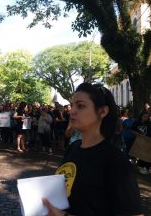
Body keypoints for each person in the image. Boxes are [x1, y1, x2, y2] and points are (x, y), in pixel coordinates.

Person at [43, 83, 143, 216]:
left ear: (102, 111)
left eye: (81, 106)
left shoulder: (116, 161)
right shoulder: (73, 148)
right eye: (72, 105)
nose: (72, 111)